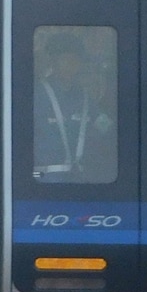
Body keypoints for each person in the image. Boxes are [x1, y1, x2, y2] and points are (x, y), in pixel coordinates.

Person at [34, 32, 114, 181]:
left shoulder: (84, 98)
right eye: (66, 59)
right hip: (43, 182)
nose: (72, 65)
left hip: (78, 181)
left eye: (76, 60)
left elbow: (106, 128)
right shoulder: (36, 95)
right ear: (53, 61)